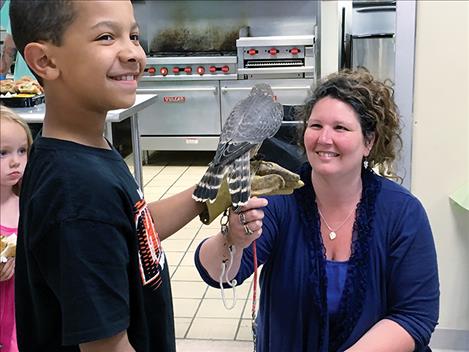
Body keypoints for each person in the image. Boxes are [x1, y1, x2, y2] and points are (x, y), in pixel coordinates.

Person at [8, 1, 209, 351]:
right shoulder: (78, 191)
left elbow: (130, 229)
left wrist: (209, 190)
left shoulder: (79, 149)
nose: (133, 52)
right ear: (45, 61)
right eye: (106, 36)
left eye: (133, 35)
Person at [195, 69, 440, 351]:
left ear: (368, 142)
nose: (324, 139)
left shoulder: (402, 212)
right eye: (315, 126)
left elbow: (415, 316)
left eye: (341, 128)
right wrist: (232, 239)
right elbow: (218, 273)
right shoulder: (280, 198)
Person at [0, 106, 33, 352]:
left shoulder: (28, 205)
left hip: (22, 313)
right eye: (3, 153)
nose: (15, 161)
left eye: (22, 151)